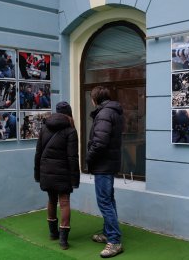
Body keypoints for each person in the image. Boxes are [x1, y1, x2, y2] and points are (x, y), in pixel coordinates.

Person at [34, 101, 80, 250]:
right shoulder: (71, 131)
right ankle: (63, 241)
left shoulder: (44, 128)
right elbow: (73, 157)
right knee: (64, 202)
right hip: (63, 173)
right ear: (69, 113)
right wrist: (75, 180)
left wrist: (37, 174)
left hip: (46, 172)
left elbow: (38, 154)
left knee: (51, 200)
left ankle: (53, 233)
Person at [86, 86, 124, 258]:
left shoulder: (104, 114)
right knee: (109, 200)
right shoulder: (113, 112)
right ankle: (109, 233)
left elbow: (99, 143)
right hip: (109, 163)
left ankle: (114, 241)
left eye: (92, 98)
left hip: (103, 164)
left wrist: (89, 158)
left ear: (96, 99)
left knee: (105, 202)